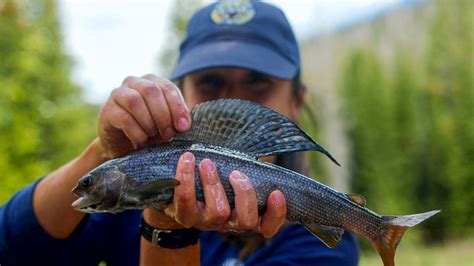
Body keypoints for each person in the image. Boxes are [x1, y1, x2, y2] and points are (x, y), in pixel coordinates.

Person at [0, 1, 358, 265]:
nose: (233, 101)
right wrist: (105, 153)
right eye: (210, 83)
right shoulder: (123, 206)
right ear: (181, 94)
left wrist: (168, 227)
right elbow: (11, 249)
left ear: (298, 100)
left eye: (257, 84)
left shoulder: (320, 243)